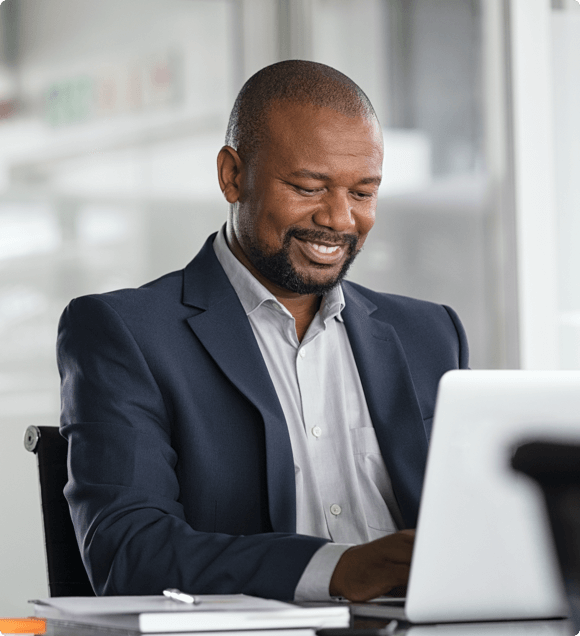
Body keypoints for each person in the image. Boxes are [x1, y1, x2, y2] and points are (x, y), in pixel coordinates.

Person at [57, 60, 469, 602]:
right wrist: (337, 569)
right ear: (233, 176)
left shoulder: (430, 333)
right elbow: (130, 552)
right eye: (308, 186)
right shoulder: (126, 333)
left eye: (364, 193)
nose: (341, 219)